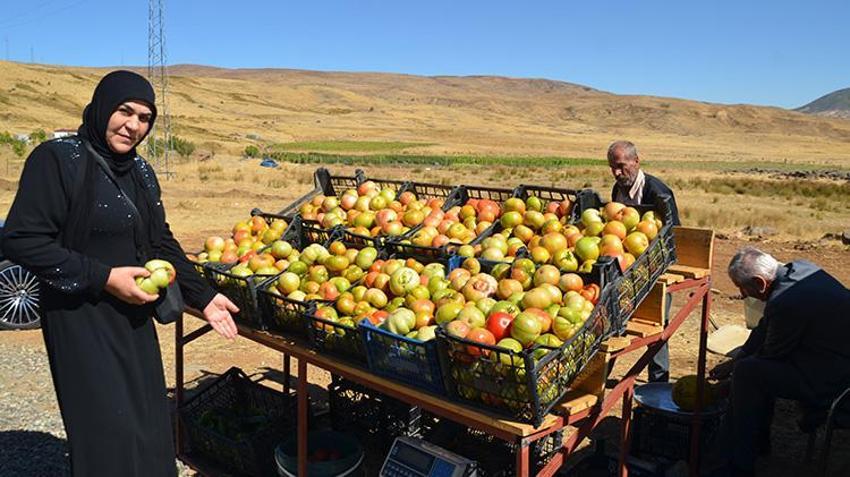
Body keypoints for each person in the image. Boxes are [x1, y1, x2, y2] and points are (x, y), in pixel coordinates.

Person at [2, 70, 240, 476]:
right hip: (80, 317)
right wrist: (104, 277)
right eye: (124, 111)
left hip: (132, 316)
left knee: (147, 427)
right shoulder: (57, 160)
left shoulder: (140, 172)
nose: (133, 125)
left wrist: (204, 295)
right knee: (106, 431)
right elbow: (20, 239)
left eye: (145, 117)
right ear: (101, 107)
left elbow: (160, 241)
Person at [711, 247, 850, 476]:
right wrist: (736, 360)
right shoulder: (800, 269)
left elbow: (770, 356)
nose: (744, 296)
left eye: (743, 289)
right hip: (830, 357)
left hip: (835, 378)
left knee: (750, 375)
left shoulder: (787, 302)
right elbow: (765, 327)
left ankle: (738, 465)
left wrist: (729, 384)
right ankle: (759, 443)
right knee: (748, 368)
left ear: (760, 283)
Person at [607, 140, 680, 382]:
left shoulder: (657, 192)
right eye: (612, 167)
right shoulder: (618, 190)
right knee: (612, 323)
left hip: (654, 270)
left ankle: (658, 381)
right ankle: (599, 376)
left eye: (621, 166)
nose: (617, 173)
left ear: (636, 161)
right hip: (625, 269)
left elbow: (674, 235)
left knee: (657, 325)